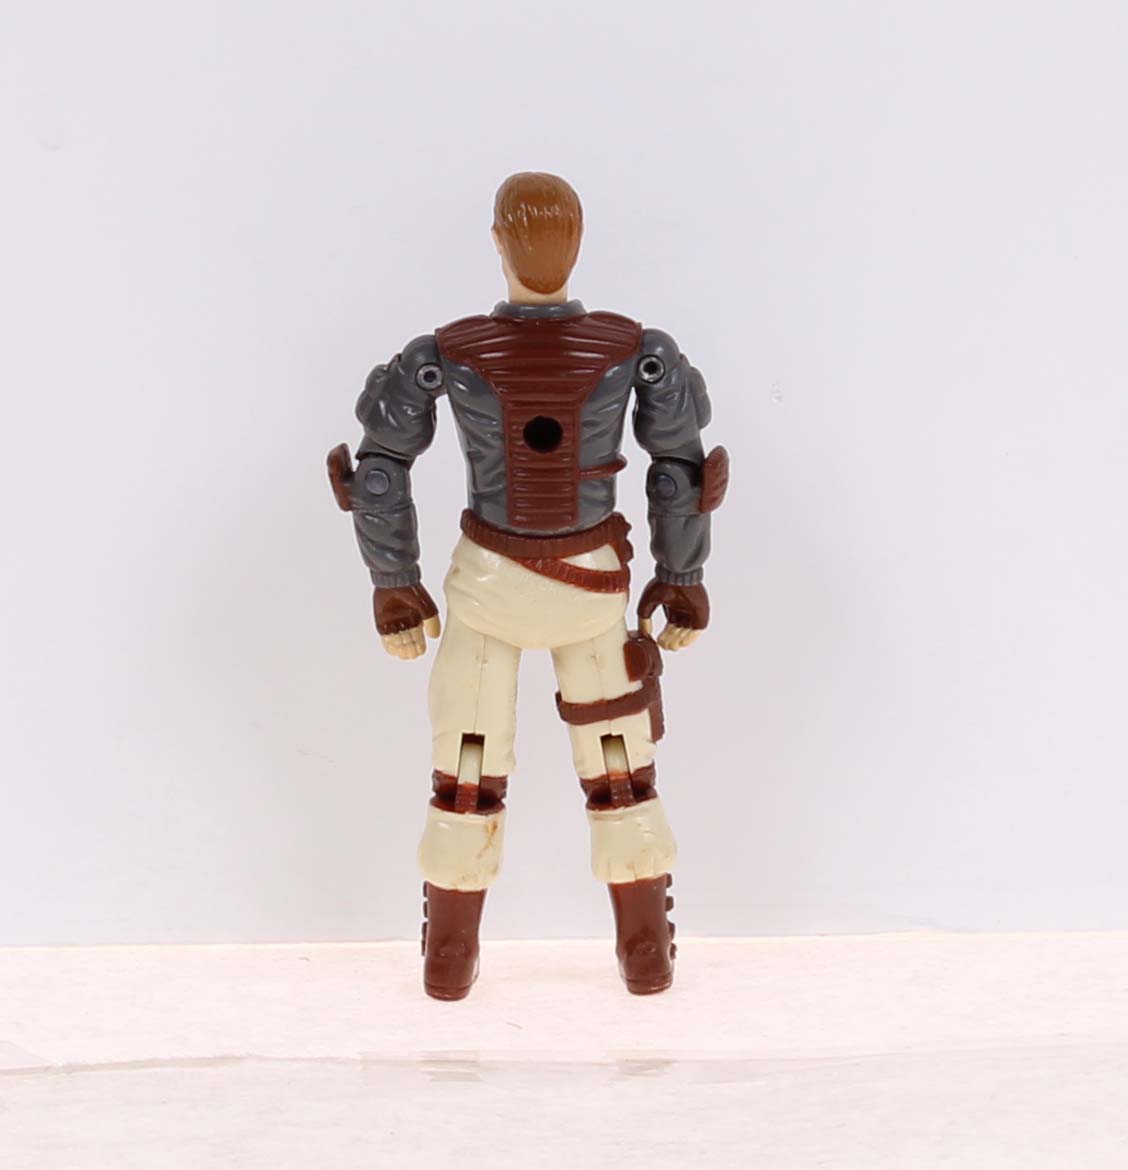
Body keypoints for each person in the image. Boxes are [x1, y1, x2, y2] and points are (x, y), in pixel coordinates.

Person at [329, 172, 728, 999]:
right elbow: (678, 470)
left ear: (494, 242)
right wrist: (680, 574)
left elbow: (381, 469)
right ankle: (643, 949)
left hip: (492, 583)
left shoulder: (447, 354)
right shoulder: (633, 350)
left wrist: (395, 582)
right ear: (580, 243)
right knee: (619, 768)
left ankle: (451, 954)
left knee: (467, 770)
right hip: (587, 588)